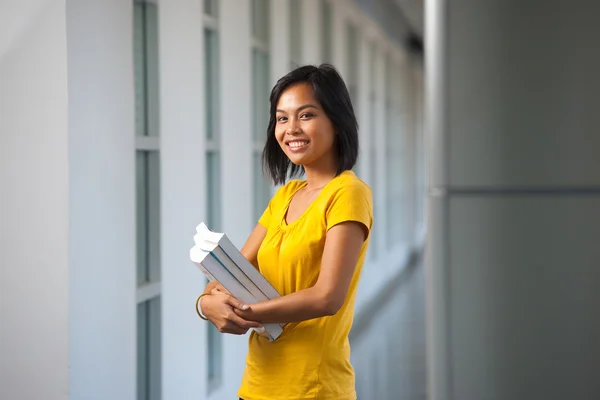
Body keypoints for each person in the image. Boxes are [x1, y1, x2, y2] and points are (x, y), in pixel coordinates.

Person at [198, 64, 373, 400]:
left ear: (336, 121)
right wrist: (206, 304)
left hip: (313, 388)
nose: (291, 128)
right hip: (257, 385)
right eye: (282, 118)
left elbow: (327, 297)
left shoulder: (348, 193)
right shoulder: (285, 196)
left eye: (306, 115)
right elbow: (234, 272)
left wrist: (243, 313)